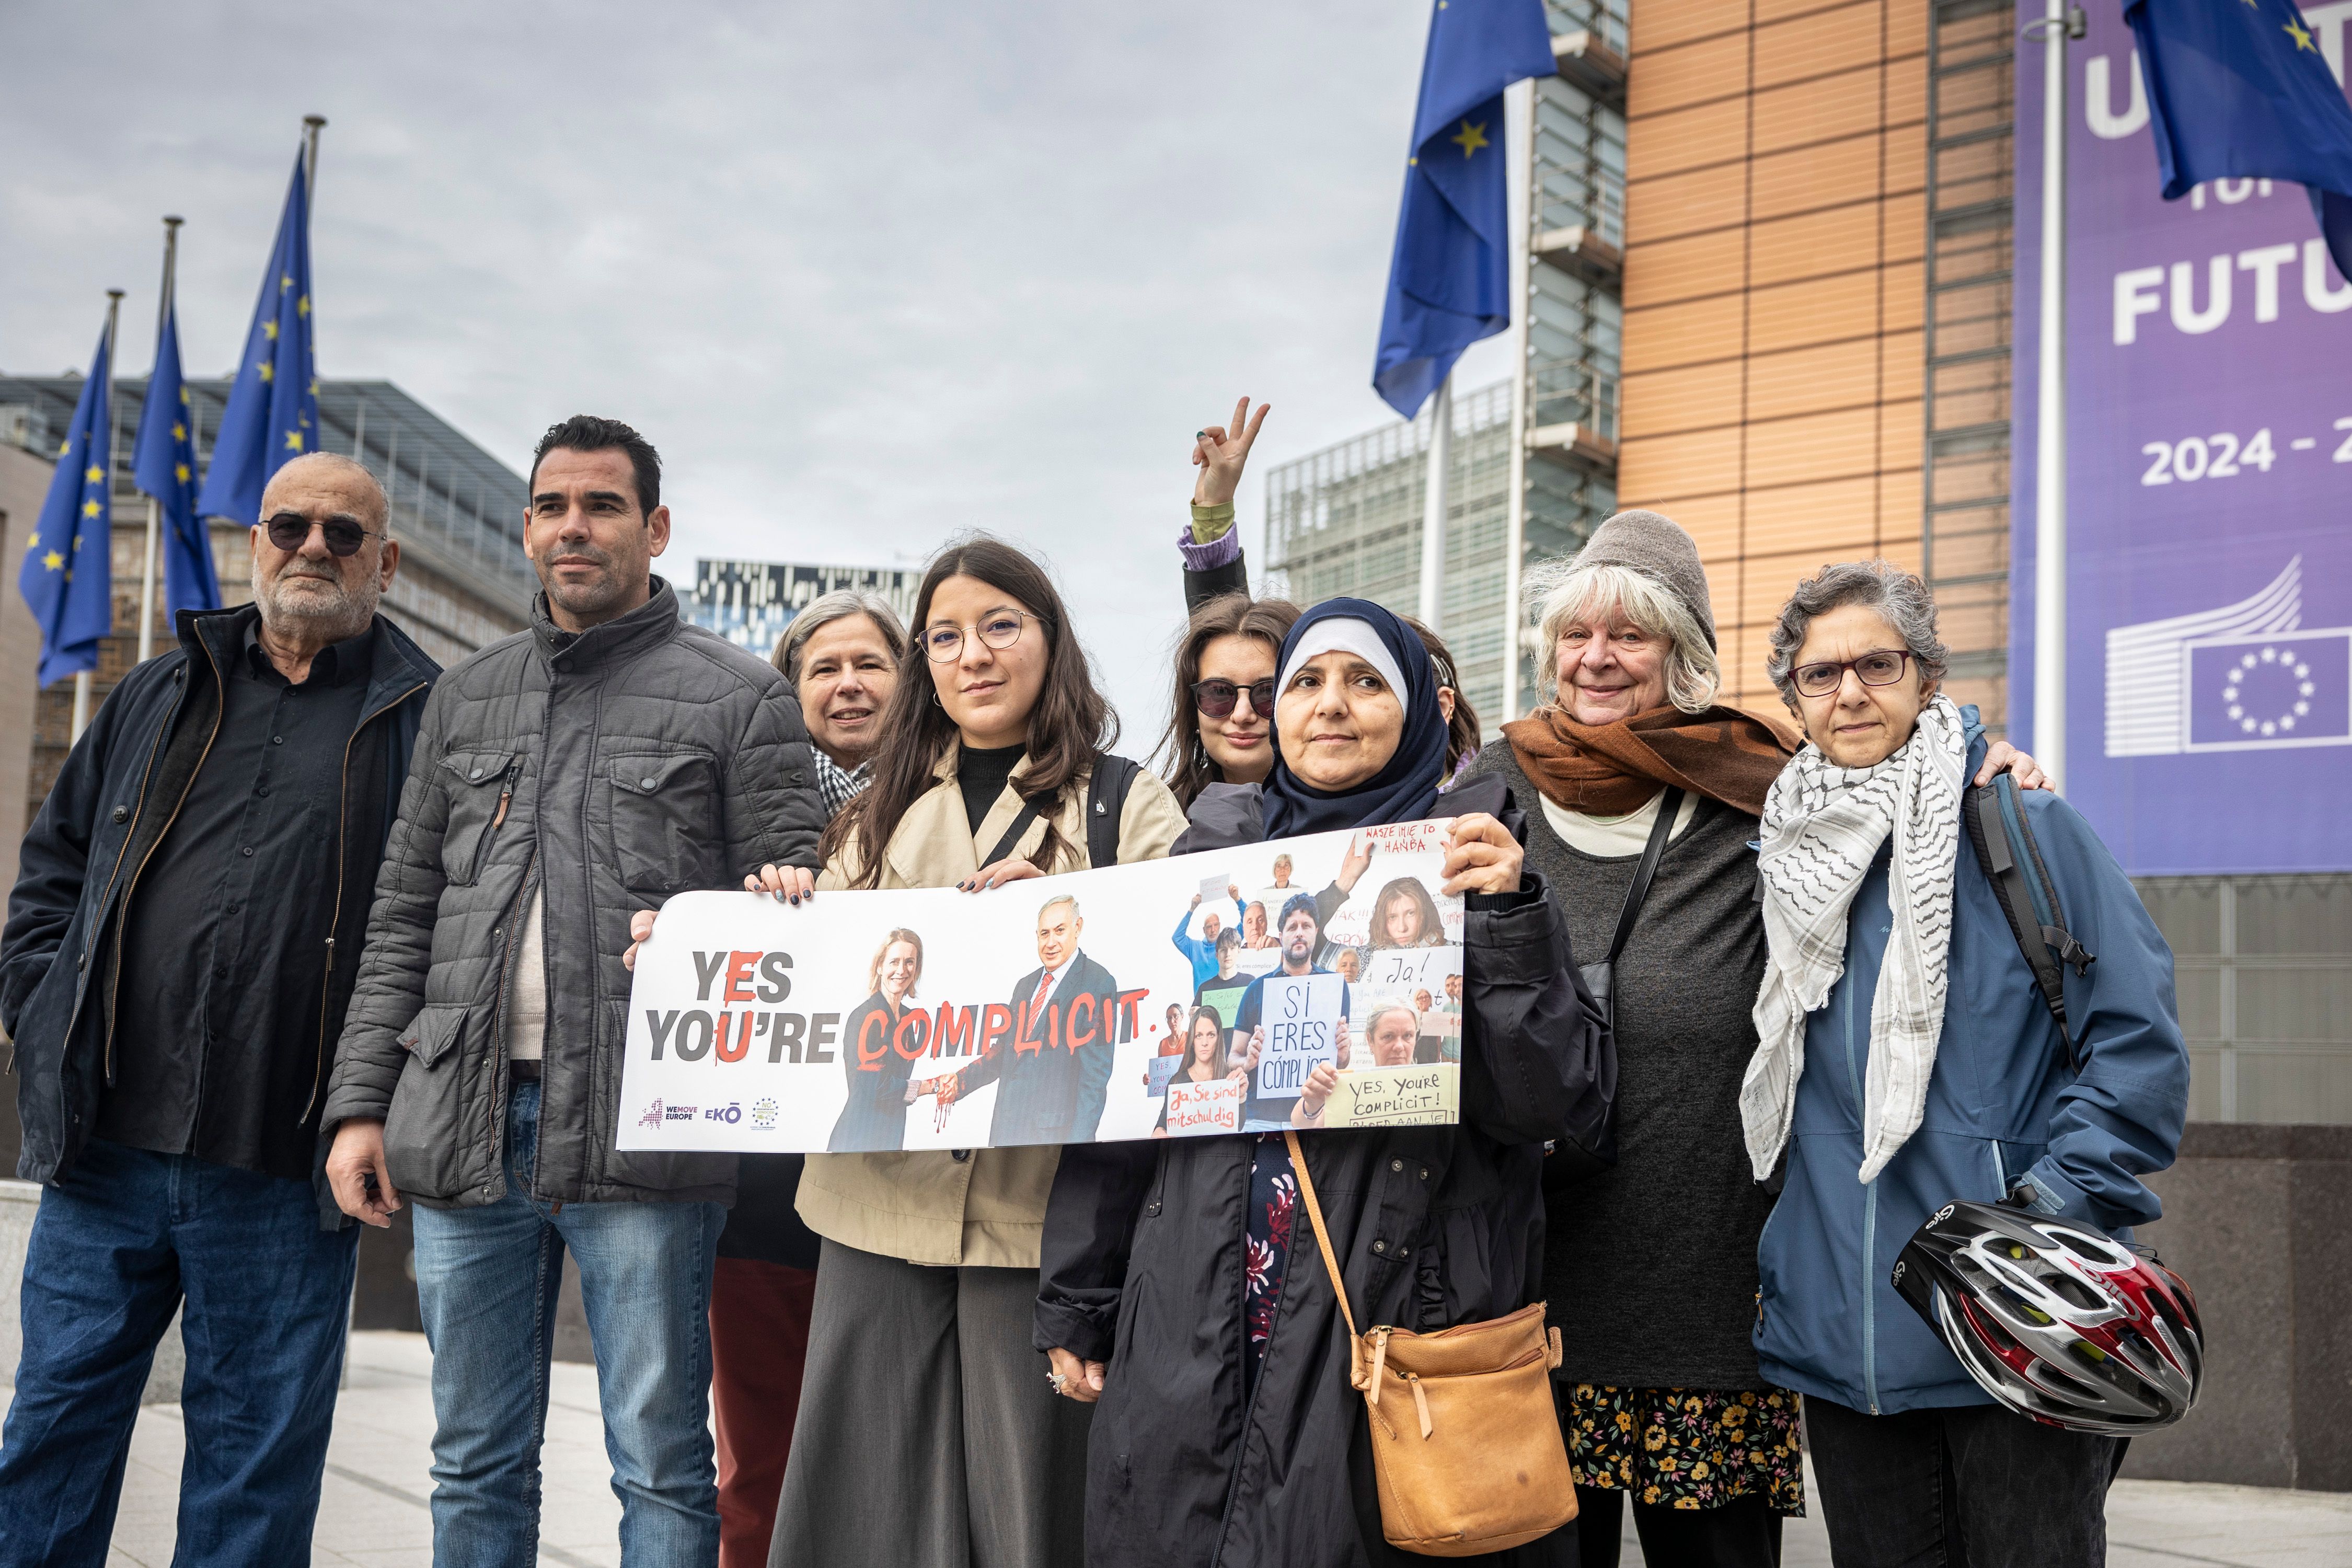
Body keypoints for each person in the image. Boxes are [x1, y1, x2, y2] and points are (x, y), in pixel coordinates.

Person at [1461, 511, 2047, 1566]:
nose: (1597, 659)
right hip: (1528, 1305)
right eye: (1576, 635)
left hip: (1715, 1307)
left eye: (1630, 636)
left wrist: (1979, 757)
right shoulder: (1486, 795)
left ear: (1682, 655)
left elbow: (1901, 782)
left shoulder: (1766, 790)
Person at [321, 416, 825, 1566]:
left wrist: (776, 900)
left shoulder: (743, 698)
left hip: (646, 1136)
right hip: (464, 1127)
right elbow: (404, 916)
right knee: (472, 1456)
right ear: (530, 524)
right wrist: (363, 1106)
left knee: (659, 1461)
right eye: (552, 506)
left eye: (601, 506)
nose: (573, 527)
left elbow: (797, 917)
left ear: (653, 529)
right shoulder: (467, 699)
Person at [1037, 597, 1608, 1568]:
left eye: (1364, 682)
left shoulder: (1478, 859)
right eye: (1306, 682)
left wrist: (1511, 922)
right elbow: (1129, 1104)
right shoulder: (1208, 866)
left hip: (1396, 1322)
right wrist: (1079, 1298)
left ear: (1420, 710)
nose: (1330, 706)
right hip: (1193, 1306)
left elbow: (1560, 1105)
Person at [0, 454, 434, 1566]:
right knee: (49, 1440)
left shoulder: (429, 720)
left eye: (346, 535)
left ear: (384, 562)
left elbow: (443, 930)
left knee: (254, 1473)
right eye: (291, 526)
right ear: (256, 543)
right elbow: (53, 874)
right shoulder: (159, 688)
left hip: (288, 1170)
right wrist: (41, 1010)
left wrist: (376, 1099)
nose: (314, 550)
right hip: (107, 1151)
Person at [1744, 560, 2187, 1567]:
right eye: (1821, 674)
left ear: (1927, 675)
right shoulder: (1777, 853)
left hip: (2015, 1322)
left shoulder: (2021, 824)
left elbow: (2138, 1044)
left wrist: (2043, 1218)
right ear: (1794, 698)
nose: (1850, 691)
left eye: (1877, 663)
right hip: (1842, 1339)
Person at [767, 535, 1186, 1568]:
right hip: (875, 1201)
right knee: (865, 1506)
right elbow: (828, 987)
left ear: (1051, 641)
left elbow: (1179, 982)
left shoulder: (1126, 801)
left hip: (1038, 1218)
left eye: (1001, 626)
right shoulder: (877, 809)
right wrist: (761, 922)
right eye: (946, 637)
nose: (975, 655)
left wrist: (1079, 915)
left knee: (1032, 1507)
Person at [705, 588, 908, 1568]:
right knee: (759, 1458)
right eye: (822, 668)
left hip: (904, 1188)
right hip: (767, 1192)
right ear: (789, 694)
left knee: (901, 1458)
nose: (849, 683)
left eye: (870, 662)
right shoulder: (734, 813)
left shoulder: (971, 814)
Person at [910, 893, 1132, 1146]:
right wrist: (960, 1081)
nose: (1051, 942)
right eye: (1044, 934)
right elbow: (1005, 1053)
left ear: (1078, 927)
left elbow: (1095, 1078)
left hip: (1053, 1139)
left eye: (1059, 931)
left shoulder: (1098, 983)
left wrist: (1078, 1149)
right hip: (1006, 1130)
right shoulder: (1025, 986)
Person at [1228, 892, 1356, 1131]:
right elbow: (1232, 1058)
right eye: (1292, 927)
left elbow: (1340, 1062)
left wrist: (1344, 1052)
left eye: (1306, 926)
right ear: (1281, 935)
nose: (1299, 932)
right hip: (1261, 1119)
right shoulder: (1257, 990)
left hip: (1318, 1116)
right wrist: (1249, 1060)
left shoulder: (1336, 989)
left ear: (1316, 932)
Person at [828, 929, 926, 1152]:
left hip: (890, 1135)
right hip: (857, 1138)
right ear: (880, 967)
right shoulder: (864, 1017)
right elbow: (873, 1087)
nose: (902, 971)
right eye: (894, 962)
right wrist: (925, 1087)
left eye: (910, 962)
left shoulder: (910, 1019)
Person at [1151, 1006, 1236, 1136]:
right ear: (1192, 1040)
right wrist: (1159, 1133)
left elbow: (1241, 1129)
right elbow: (1162, 1126)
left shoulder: (1232, 1079)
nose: (1205, 1043)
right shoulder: (1177, 1082)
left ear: (1219, 1038)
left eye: (1211, 1035)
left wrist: (1241, 1099)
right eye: (1199, 1036)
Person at [1170, 883, 1244, 988]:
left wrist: (1237, 899)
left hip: (1226, 998)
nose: (1213, 930)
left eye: (1216, 925)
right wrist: (1192, 910)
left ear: (1220, 926)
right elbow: (1177, 937)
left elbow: (1248, 924)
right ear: (1204, 930)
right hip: (1203, 1001)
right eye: (1209, 927)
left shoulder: (1229, 943)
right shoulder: (1195, 948)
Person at [1367, 874, 1448, 950]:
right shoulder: (1363, 957)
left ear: (1426, 914)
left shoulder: (1452, 951)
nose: (1402, 928)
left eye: (1411, 913)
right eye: (1392, 917)